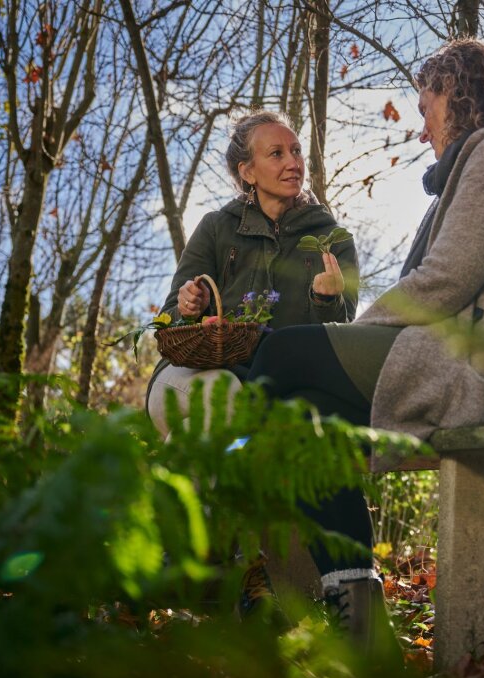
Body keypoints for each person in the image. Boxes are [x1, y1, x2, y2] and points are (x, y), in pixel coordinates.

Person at [246, 39, 484, 652]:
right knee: (305, 422)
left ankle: (216, 516)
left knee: (278, 354)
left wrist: (355, 331)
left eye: (426, 109)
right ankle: (361, 618)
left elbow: (444, 280)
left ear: (457, 92)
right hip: (467, 359)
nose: (423, 130)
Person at [145, 110, 359, 439]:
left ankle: (173, 488)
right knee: (224, 393)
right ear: (248, 171)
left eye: (297, 151)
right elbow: (168, 322)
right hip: (188, 378)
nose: (294, 162)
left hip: (268, 399)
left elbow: (338, 345)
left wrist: (326, 301)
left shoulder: (332, 241)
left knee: (203, 433)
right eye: (277, 153)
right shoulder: (217, 228)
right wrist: (189, 307)